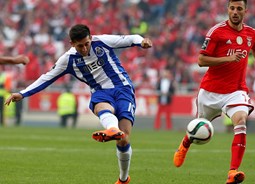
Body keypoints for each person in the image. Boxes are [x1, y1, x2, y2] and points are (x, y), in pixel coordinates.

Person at [5, 24, 152, 184]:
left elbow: (130, 39)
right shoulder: (68, 60)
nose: (84, 48)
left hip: (122, 88)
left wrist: (142, 41)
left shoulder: (102, 41)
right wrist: (22, 93)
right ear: (72, 44)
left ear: (90, 38)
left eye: (86, 44)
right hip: (100, 92)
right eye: (80, 45)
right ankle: (112, 129)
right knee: (101, 106)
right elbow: (47, 77)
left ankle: (123, 178)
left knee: (124, 139)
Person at [173, 1, 255, 184]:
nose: (235, 12)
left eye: (239, 9)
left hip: (236, 91)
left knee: (241, 120)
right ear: (228, 9)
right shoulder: (216, 32)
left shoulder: (252, 34)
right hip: (210, 91)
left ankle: (232, 171)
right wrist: (228, 58)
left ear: (246, 11)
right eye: (232, 8)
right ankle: (185, 144)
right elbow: (201, 60)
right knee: (197, 128)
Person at [0, 55, 29, 125]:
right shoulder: (7, 75)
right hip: (7, 94)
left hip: (12, 93)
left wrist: (13, 60)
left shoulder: (9, 75)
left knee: (9, 110)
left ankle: (11, 121)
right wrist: (13, 60)